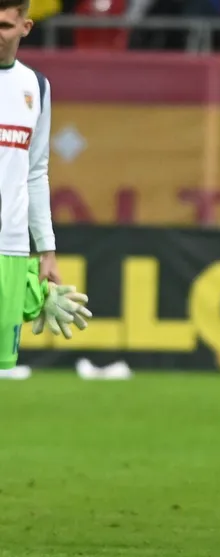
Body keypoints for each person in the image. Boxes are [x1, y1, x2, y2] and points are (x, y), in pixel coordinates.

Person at [0, 0, 90, 370]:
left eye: (5, 26)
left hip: (12, 249)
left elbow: (36, 172)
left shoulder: (35, 87)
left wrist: (46, 250)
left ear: (25, 27)